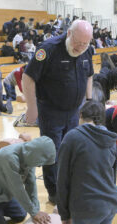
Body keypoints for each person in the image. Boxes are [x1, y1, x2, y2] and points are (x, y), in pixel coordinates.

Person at [22, 20, 94, 203]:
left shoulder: (86, 50)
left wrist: (89, 101)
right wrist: (32, 108)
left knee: (70, 150)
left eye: (85, 43)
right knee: (51, 152)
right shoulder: (48, 49)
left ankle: (68, 185)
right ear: (69, 33)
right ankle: (54, 191)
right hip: (51, 111)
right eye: (78, 43)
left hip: (74, 111)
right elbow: (28, 77)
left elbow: (89, 75)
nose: (81, 47)